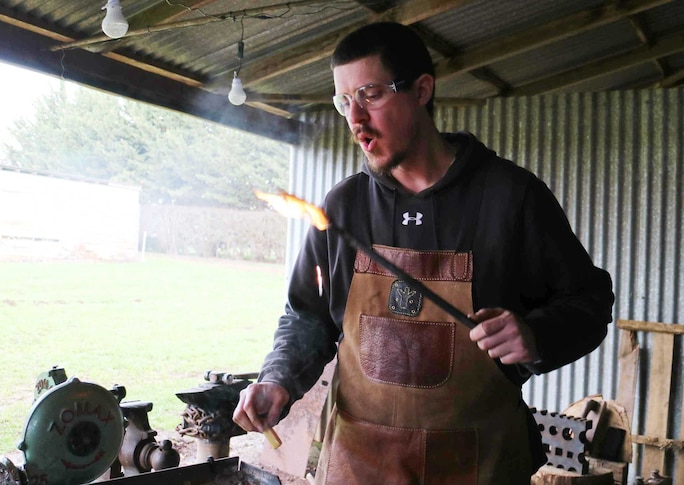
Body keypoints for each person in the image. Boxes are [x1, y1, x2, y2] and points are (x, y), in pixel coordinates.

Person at [233, 22, 614, 484]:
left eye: (370, 95)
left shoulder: (510, 198)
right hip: (360, 465)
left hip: (480, 465)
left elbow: (589, 302)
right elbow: (308, 316)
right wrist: (278, 379)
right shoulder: (344, 207)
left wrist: (536, 334)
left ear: (422, 90)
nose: (355, 118)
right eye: (343, 101)